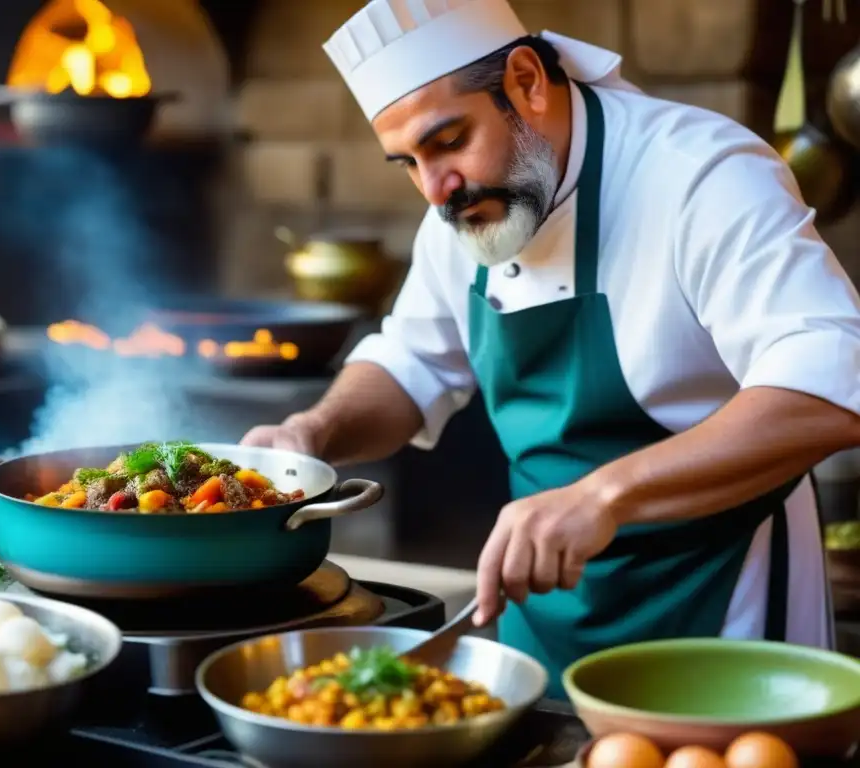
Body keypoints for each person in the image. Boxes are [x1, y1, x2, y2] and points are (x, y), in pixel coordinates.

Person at [241, 0, 860, 697]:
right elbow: (411, 364)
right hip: (541, 615)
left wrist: (604, 495)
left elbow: (831, 385)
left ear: (529, 81)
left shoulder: (700, 175)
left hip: (720, 609)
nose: (435, 190)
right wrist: (312, 433)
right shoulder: (465, 209)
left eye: (448, 140)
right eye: (407, 162)